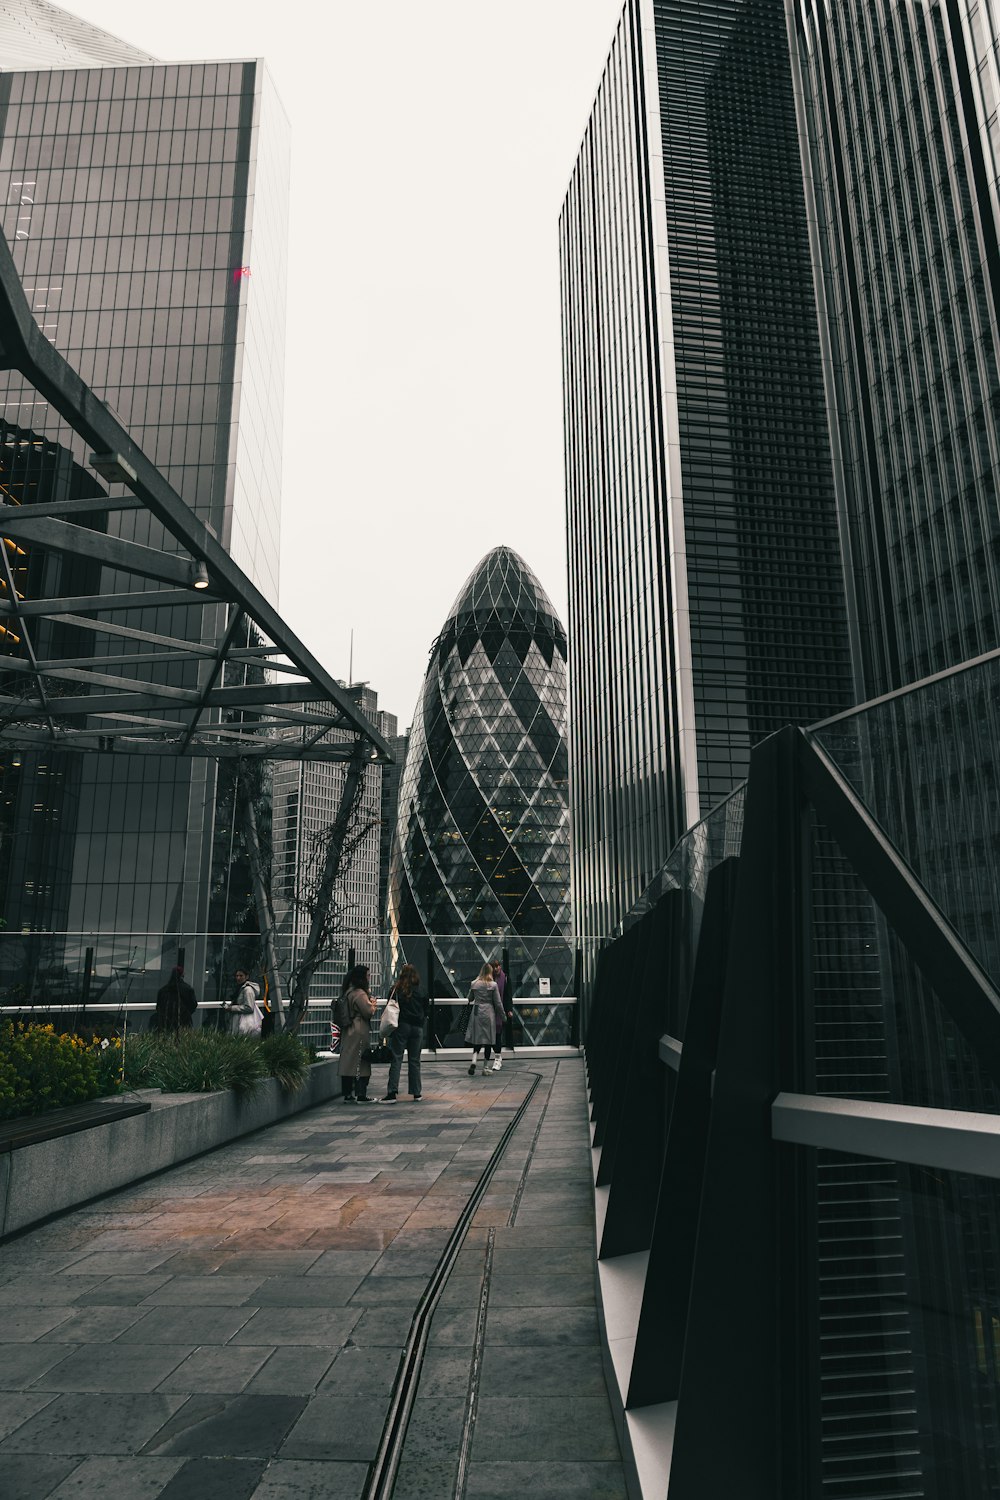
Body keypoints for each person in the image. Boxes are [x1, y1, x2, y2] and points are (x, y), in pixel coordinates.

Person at [379, 964, 428, 1103]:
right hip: (417, 1028)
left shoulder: (397, 989)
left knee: (396, 1058)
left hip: (401, 1026)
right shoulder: (421, 990)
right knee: (414, 1061)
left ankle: (392, 1092)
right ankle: (416, 1093)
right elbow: (426, 1009)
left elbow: (390, 1004)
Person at [336, 964, 377, 1103]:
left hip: (348, 1030)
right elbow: (368, 1012)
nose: (369, 977)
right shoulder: (360, 994)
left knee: (348, 1062)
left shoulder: (348, 991)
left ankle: (348, 1094)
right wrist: (373, 1004)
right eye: (368, 975)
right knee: (362, 1062)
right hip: (359, 1030)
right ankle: (361, 1094)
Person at [465, 961, 506, 1076]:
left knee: (477, 1038)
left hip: (477, 1011)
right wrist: (503, 1016)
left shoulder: (474, 983)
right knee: (488, 1040)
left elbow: (470, 998)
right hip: (489, 1012)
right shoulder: (493, 985)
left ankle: (474, 1060)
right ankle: (485, 1067)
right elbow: (498, 1003)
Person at [152, 965, 197, 1031]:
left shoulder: (163, 990)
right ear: (182, 975)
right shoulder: (188, 989)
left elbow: (158, 1006)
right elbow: (193, 1005)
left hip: (165, 1022)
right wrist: (186, 1013)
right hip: (183, 1021)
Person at [225, 968, 264, 1035]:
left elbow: (249, 1007)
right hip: (239, 1021)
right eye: (237, 976)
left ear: (247, 977)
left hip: (244, 1022)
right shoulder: (240, 989)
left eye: (241, 976)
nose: (238, 978)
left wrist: (232, 1008)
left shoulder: (247, 990)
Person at [490, 959, 511, 1072]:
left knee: (497, 1034)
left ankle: (497, 1058)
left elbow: (508, 995)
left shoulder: (505, 978)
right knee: (491, 1036)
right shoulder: (488, 978)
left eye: (498, 966)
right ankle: (497, 1056)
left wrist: (509, 1009)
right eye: (494, 966)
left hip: (500, 1011)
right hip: (489, 1011)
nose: (496, 968)